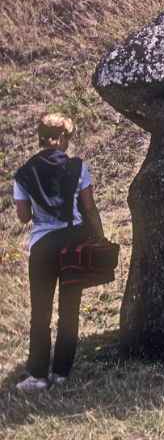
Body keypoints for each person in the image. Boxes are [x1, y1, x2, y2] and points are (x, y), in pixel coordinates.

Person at [13, 113, 106, 393]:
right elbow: (89, 208)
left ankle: (38, 375)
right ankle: (62, 372)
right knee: (70, 309)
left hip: (42, 245)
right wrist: (99, 238)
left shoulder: (23, 172)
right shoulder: (79, 167)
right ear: (63, 138)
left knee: (40, 312)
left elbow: (23, 216)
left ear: (41, 138)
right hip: (72, 243)